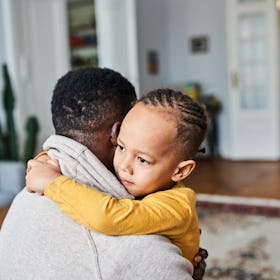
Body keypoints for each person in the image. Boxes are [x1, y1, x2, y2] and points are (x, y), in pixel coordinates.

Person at [0, 67, 207, 280]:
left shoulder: (25, 197)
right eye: (122, 148)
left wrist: (52, 180)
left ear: (181, 171)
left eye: (143, 159)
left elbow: (109, 215)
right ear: (117, 134)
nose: (125, 166)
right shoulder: (143, 248)